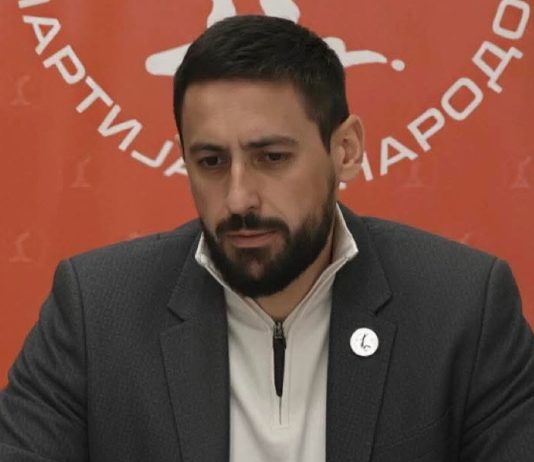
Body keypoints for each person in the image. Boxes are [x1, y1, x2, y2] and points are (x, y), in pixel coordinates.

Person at [1, 14, 533, 462]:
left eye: (271, 158)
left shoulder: (463, 307)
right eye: (211, 162)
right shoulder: (97, 310)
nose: (238, 199)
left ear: (345, 150)